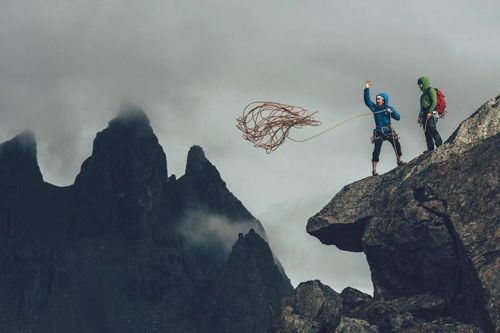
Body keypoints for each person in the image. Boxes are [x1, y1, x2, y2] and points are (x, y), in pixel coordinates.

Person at [364, 80, 406, 176]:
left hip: (388, 130)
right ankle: (374, 170)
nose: (377, 100)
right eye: (377, 98)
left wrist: (392, 111)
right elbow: (367, 101)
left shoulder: (389, 108)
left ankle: (399, 160)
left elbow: (398, 117)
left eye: (379, 99)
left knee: (397, 144)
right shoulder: (375, 108)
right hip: (379, 131)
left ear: (384, 100)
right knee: (376, 150)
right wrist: (367, 88)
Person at [417, 76, 442, 152]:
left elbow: (434, 101)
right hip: (425, 114)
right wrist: (420, 115)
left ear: (423, 83)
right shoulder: (422, 95)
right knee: (426, 131)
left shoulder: (431, 90)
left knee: (432, 128)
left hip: (430, 113)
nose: (419, 86)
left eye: (420, 84)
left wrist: (430, 112)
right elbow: (422, 107)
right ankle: (430, 148)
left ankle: (439, 144)